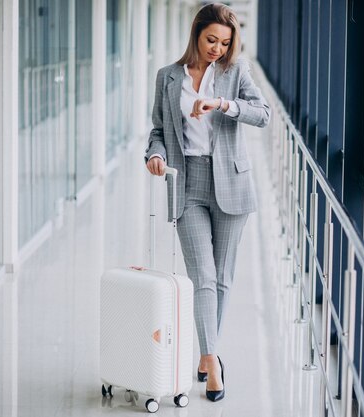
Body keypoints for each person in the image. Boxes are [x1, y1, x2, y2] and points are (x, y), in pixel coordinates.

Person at [144, 3, 270, 402]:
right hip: (187, 184)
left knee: (223, 279)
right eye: (211, 39)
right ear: (196, 34)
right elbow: (159, 130)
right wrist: (154, 155)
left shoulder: (236, 73)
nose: (217, 48)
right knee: (204, 278)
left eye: (225, 42)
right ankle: (212, 360)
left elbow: (263, 113)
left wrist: (221, 104)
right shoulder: (168, 77)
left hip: (231, 183)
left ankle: (204, 352)